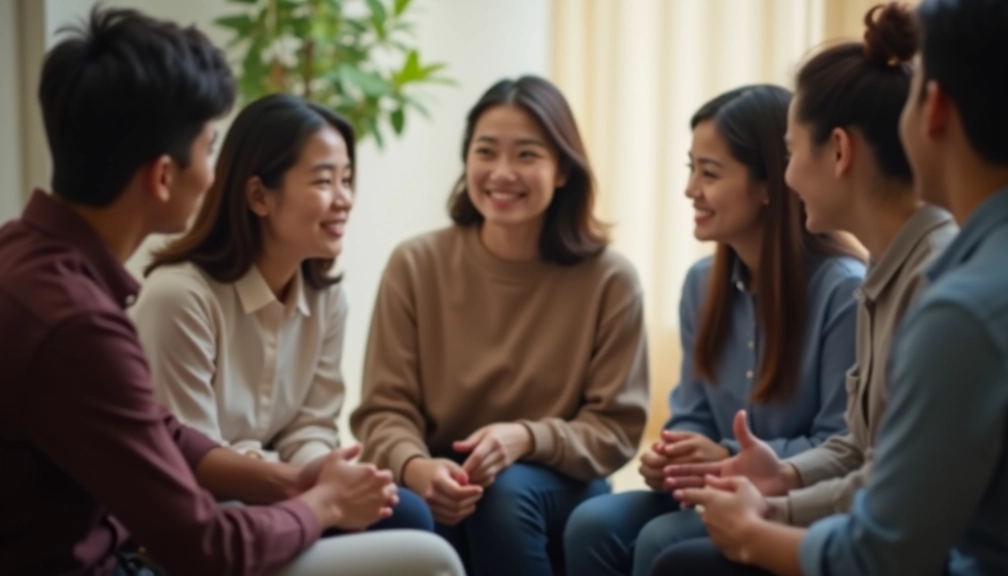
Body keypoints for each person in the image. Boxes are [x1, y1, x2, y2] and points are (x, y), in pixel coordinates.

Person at [0, 8, 462, 576]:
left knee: (407, 523)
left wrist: (295, 480)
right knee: (432, 559)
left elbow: (163, 432)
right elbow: (206, 545)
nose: (214, 174)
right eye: (209, 147)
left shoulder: (26, 261)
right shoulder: (79, 321)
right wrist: (322, 503)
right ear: (163, 176)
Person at [656, 1, 1008, 574]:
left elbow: (885, 548)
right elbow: (867, 458)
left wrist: (758, 528)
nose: (788, 174)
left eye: (789, 152)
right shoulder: (900, 272)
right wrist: (783, 481)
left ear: (933, 112)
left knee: (679, 560)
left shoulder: (952, 298)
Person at [351, 75, 650, 576]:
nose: (502, 172)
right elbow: (384, 409)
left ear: (561, 171)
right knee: (412, 508)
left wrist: (527, 439)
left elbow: (616, 429)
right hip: (444, 471)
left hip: (559, 480)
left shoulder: (609, 279)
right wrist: (416, 467)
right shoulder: (416, 264)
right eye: (485, 152)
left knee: (503, 492)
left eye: (527, 155)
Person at [563, 84, 864, 576]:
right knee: (591, 523)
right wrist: (673, 457)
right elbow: (692, 415)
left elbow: (844, 445)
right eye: (691, 169)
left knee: (662, 540)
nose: (689, 189)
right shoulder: (702, 285)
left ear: (771, 183)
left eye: (709, 172)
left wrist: (720, 454)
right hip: (715, 492)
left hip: (798, 506)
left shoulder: (843, 291)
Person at [130, 92, 432, 532]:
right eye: (324, 181)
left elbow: (310, 428)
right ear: (258, 196)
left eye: (347, 179)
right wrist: (302, 484)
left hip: (285, 493)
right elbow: (188, 455)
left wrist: (331, 473)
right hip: (200, 510)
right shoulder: (179, 298)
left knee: (405, 511)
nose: (344, 198)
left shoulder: (328, 301)